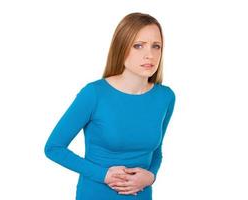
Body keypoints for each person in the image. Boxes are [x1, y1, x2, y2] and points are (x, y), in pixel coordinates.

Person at [44, 12, 176, 200]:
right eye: (138, 46)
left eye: (156, 46)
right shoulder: (94, 94)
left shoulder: (165, 97)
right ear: (121, 48)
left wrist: (152, 175)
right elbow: (54, 148)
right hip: (96, 194)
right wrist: (103, 174)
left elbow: (156, 150)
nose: (150, 55)